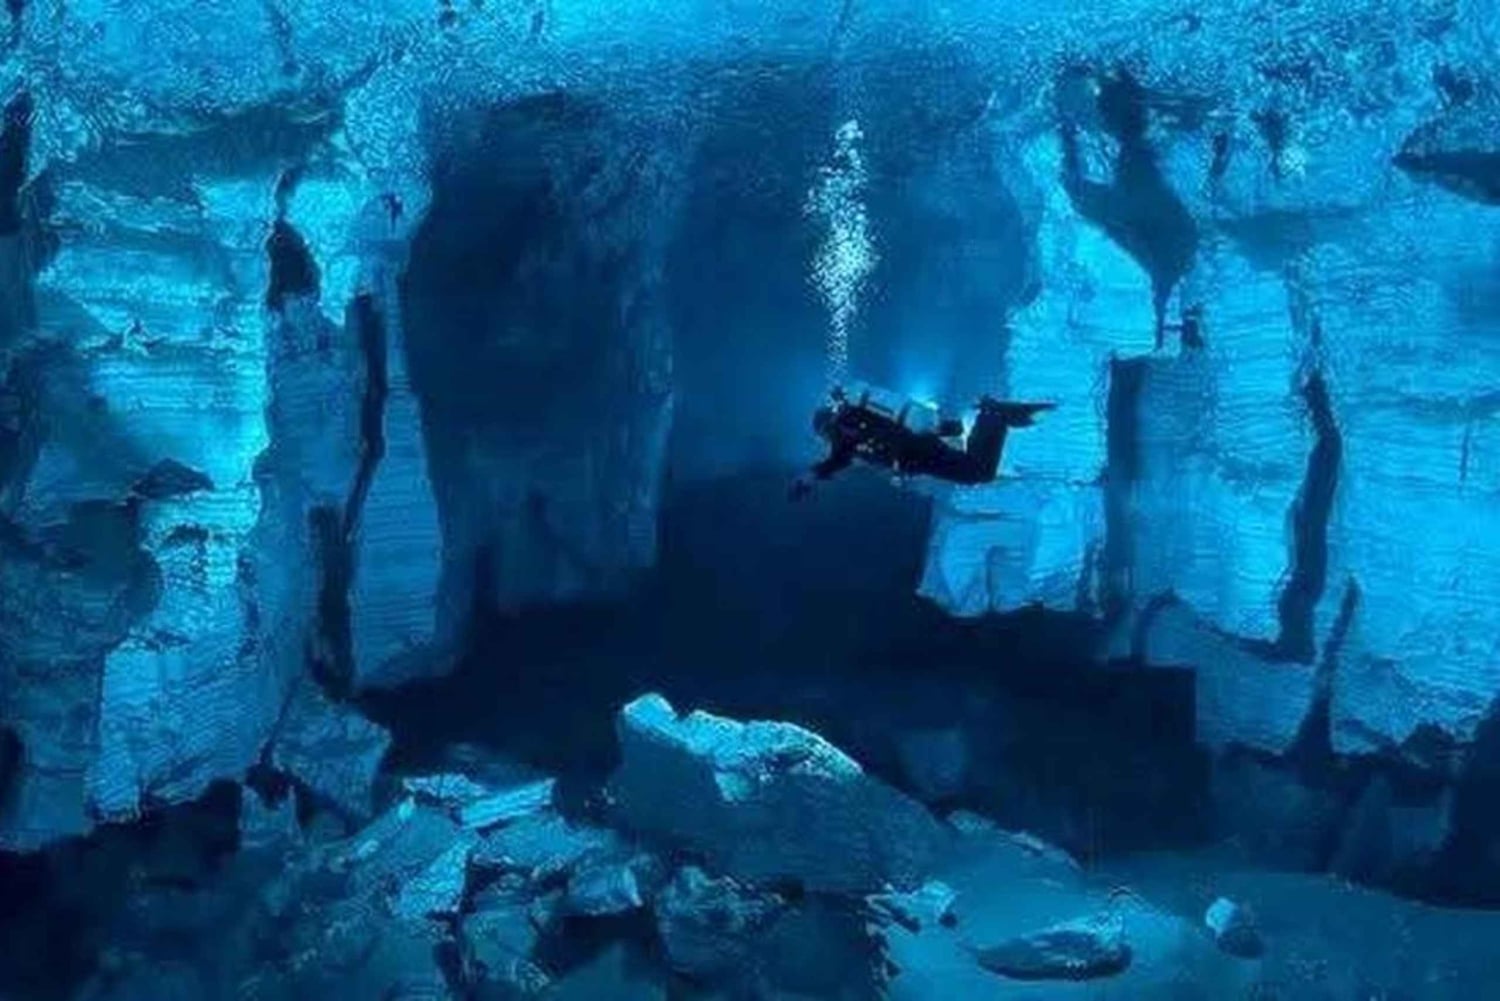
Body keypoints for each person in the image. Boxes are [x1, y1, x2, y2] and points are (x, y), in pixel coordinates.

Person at [790, 385, 1054, 499]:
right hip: (918, 449)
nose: (826, 440)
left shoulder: (841, 430)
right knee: (974, 470)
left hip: (916, 453)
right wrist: (949, 427)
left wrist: (808, 478)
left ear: (825, 427)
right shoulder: (856, 417)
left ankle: (993, 415)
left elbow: (837, 459)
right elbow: (890, 429)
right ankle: (992, 416)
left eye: (823, 436)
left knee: (977, 471)